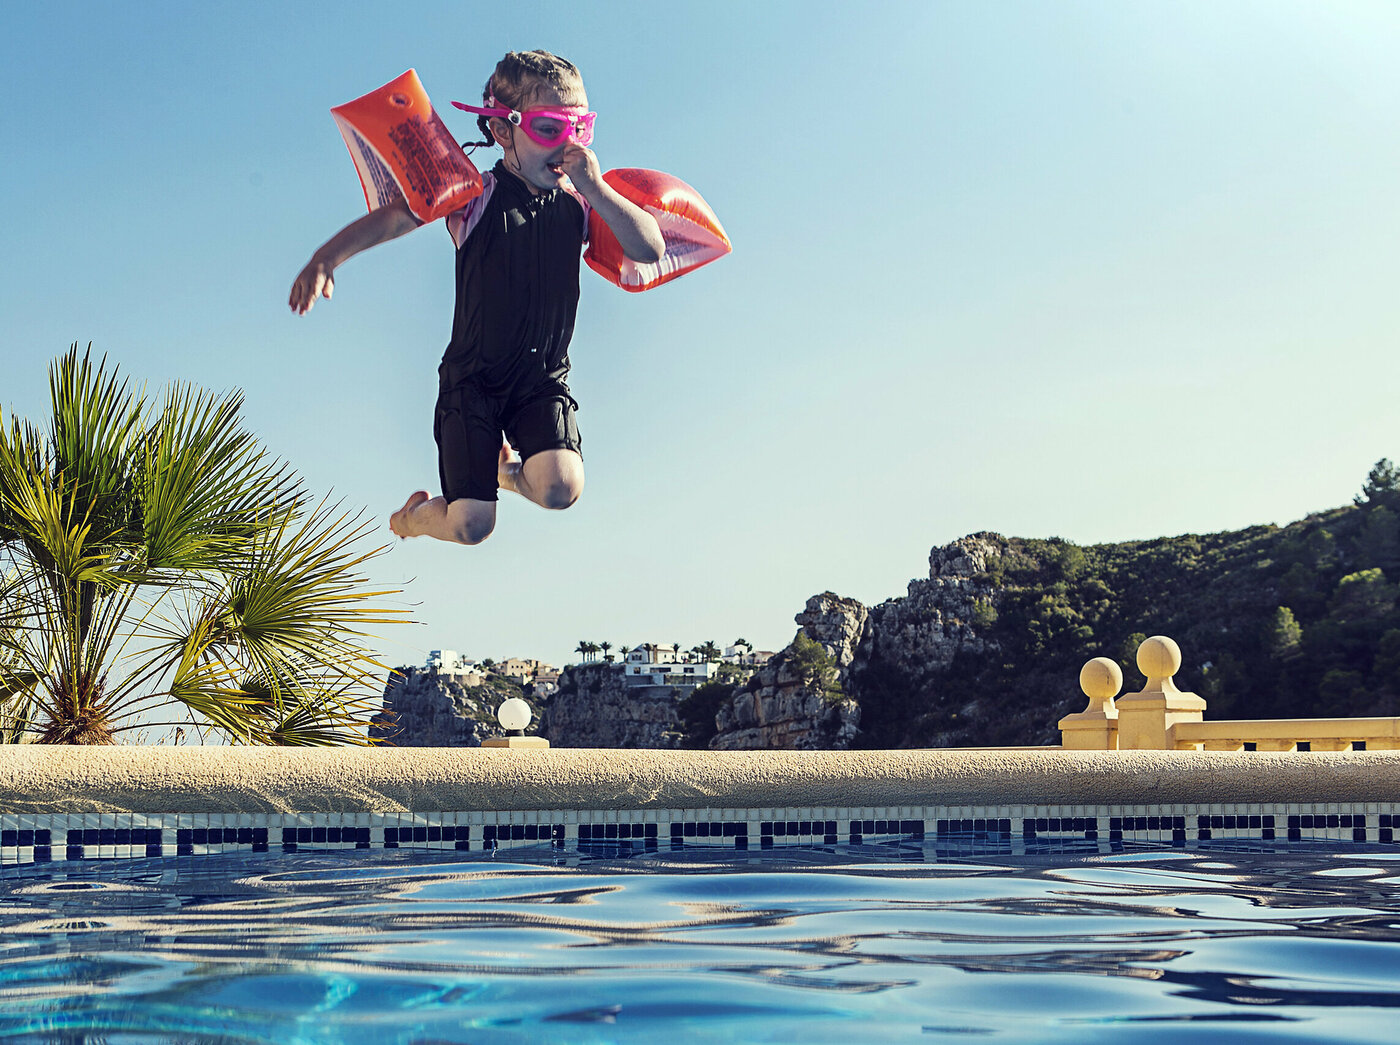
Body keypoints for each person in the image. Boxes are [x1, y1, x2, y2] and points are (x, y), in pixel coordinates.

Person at [289, 50, 664, 545]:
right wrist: (326, 257)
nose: (568, 144)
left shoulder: (580, 204)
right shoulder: (475, 195)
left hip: (541, 379)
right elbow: (400, 216)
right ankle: (411, 519)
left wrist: (596, 188)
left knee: (561, 488)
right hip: (474, 383)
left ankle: (508, 474)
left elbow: (649, 248)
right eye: (550, 128)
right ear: (504, 131)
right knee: (471, 525)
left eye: (581, 128)